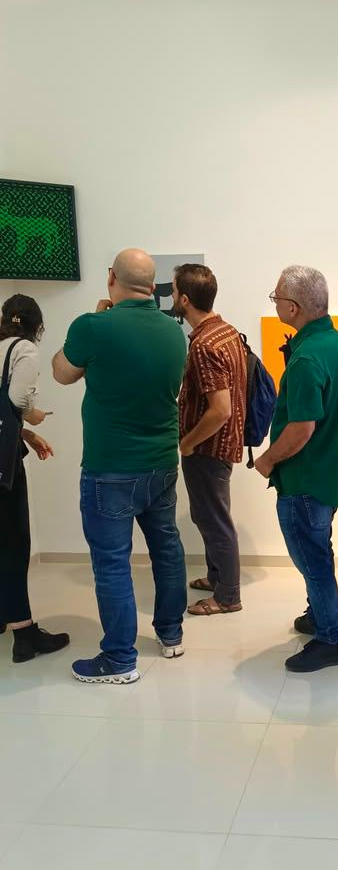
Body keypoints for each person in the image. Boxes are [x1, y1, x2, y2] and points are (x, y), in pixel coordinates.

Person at [52, 249, 188, 684]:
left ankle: (119, 660)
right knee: (166, 549)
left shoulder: (93, 326)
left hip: (110, 468)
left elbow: (61, 373)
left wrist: (96, 318)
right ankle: (171, 634)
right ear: (152, 284)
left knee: (112, 564)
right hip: (162, 463)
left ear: (112, 277)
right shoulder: (174, 332)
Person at [254, 265, 338, 673]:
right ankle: (318, 615)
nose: (275, 303)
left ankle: (330, 640)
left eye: (276, 298)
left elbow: (301, 429)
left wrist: (267, 459)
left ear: (293, 307)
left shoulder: (306, 358)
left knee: (313, 561)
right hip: (327, 475)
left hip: (304, 480)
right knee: (319, 549)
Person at [174, 263, 247, 616]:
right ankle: (218, 578)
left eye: (174, 291)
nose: (172, 297)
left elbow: (220, 410)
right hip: (222, 444)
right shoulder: (226, 331)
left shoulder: (204, 344)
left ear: (185, 299)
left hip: (208, 447)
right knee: (210, 515)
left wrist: (187, 443)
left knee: (214, 520)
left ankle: (228, 596)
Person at [0, 295, 69, 662]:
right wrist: (34, 416)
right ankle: (25, 635)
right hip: (4, 465)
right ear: (36, 326)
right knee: (14, 541)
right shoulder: (23, 349)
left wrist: (25, 434)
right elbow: (16, 400)